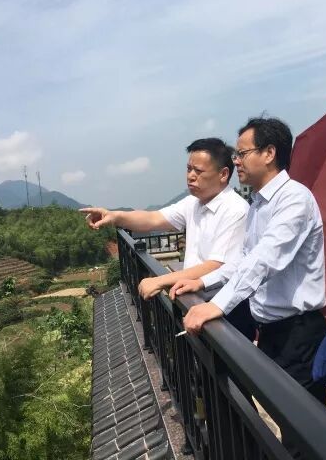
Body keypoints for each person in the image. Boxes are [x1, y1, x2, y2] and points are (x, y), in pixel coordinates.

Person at [170, 117, 326, 404]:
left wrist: (216, 305)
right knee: (272, 409)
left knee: (301, 423)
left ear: (269, 153)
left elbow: (264, 259)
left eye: (242, 154)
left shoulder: (294, 198)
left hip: (298, 333)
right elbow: (244, 259)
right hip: (270, 330)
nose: (236, 161)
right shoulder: (258, 203)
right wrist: (202, 282)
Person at [81, 137, 256, 340]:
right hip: (197, 304)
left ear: (223, 174)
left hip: (226, 310)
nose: (190, 176)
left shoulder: (235, 210)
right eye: (188, 169)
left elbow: (215, 266)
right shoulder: (194, 203)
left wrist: (161, 280)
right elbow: (153, 219)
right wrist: (114, 216)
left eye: (198, 171)